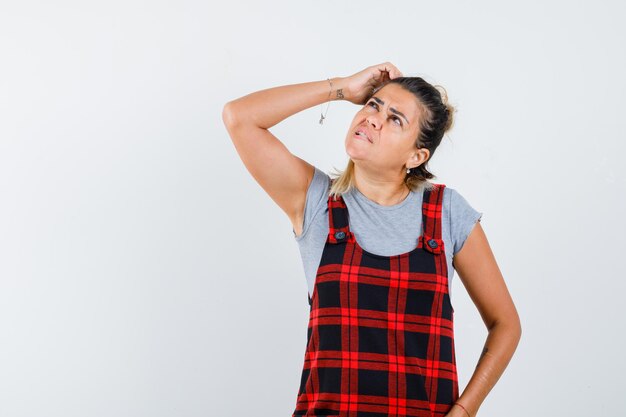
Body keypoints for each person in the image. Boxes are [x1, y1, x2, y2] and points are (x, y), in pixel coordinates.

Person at [222, 62, 521, 417]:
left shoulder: (447, 213)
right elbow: (239, 117)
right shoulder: (316, 202)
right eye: (373, 105)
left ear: (417, 156)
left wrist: (465, 410)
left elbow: (506, 325)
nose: (373, 118)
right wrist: (343, 88)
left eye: (395, 119)